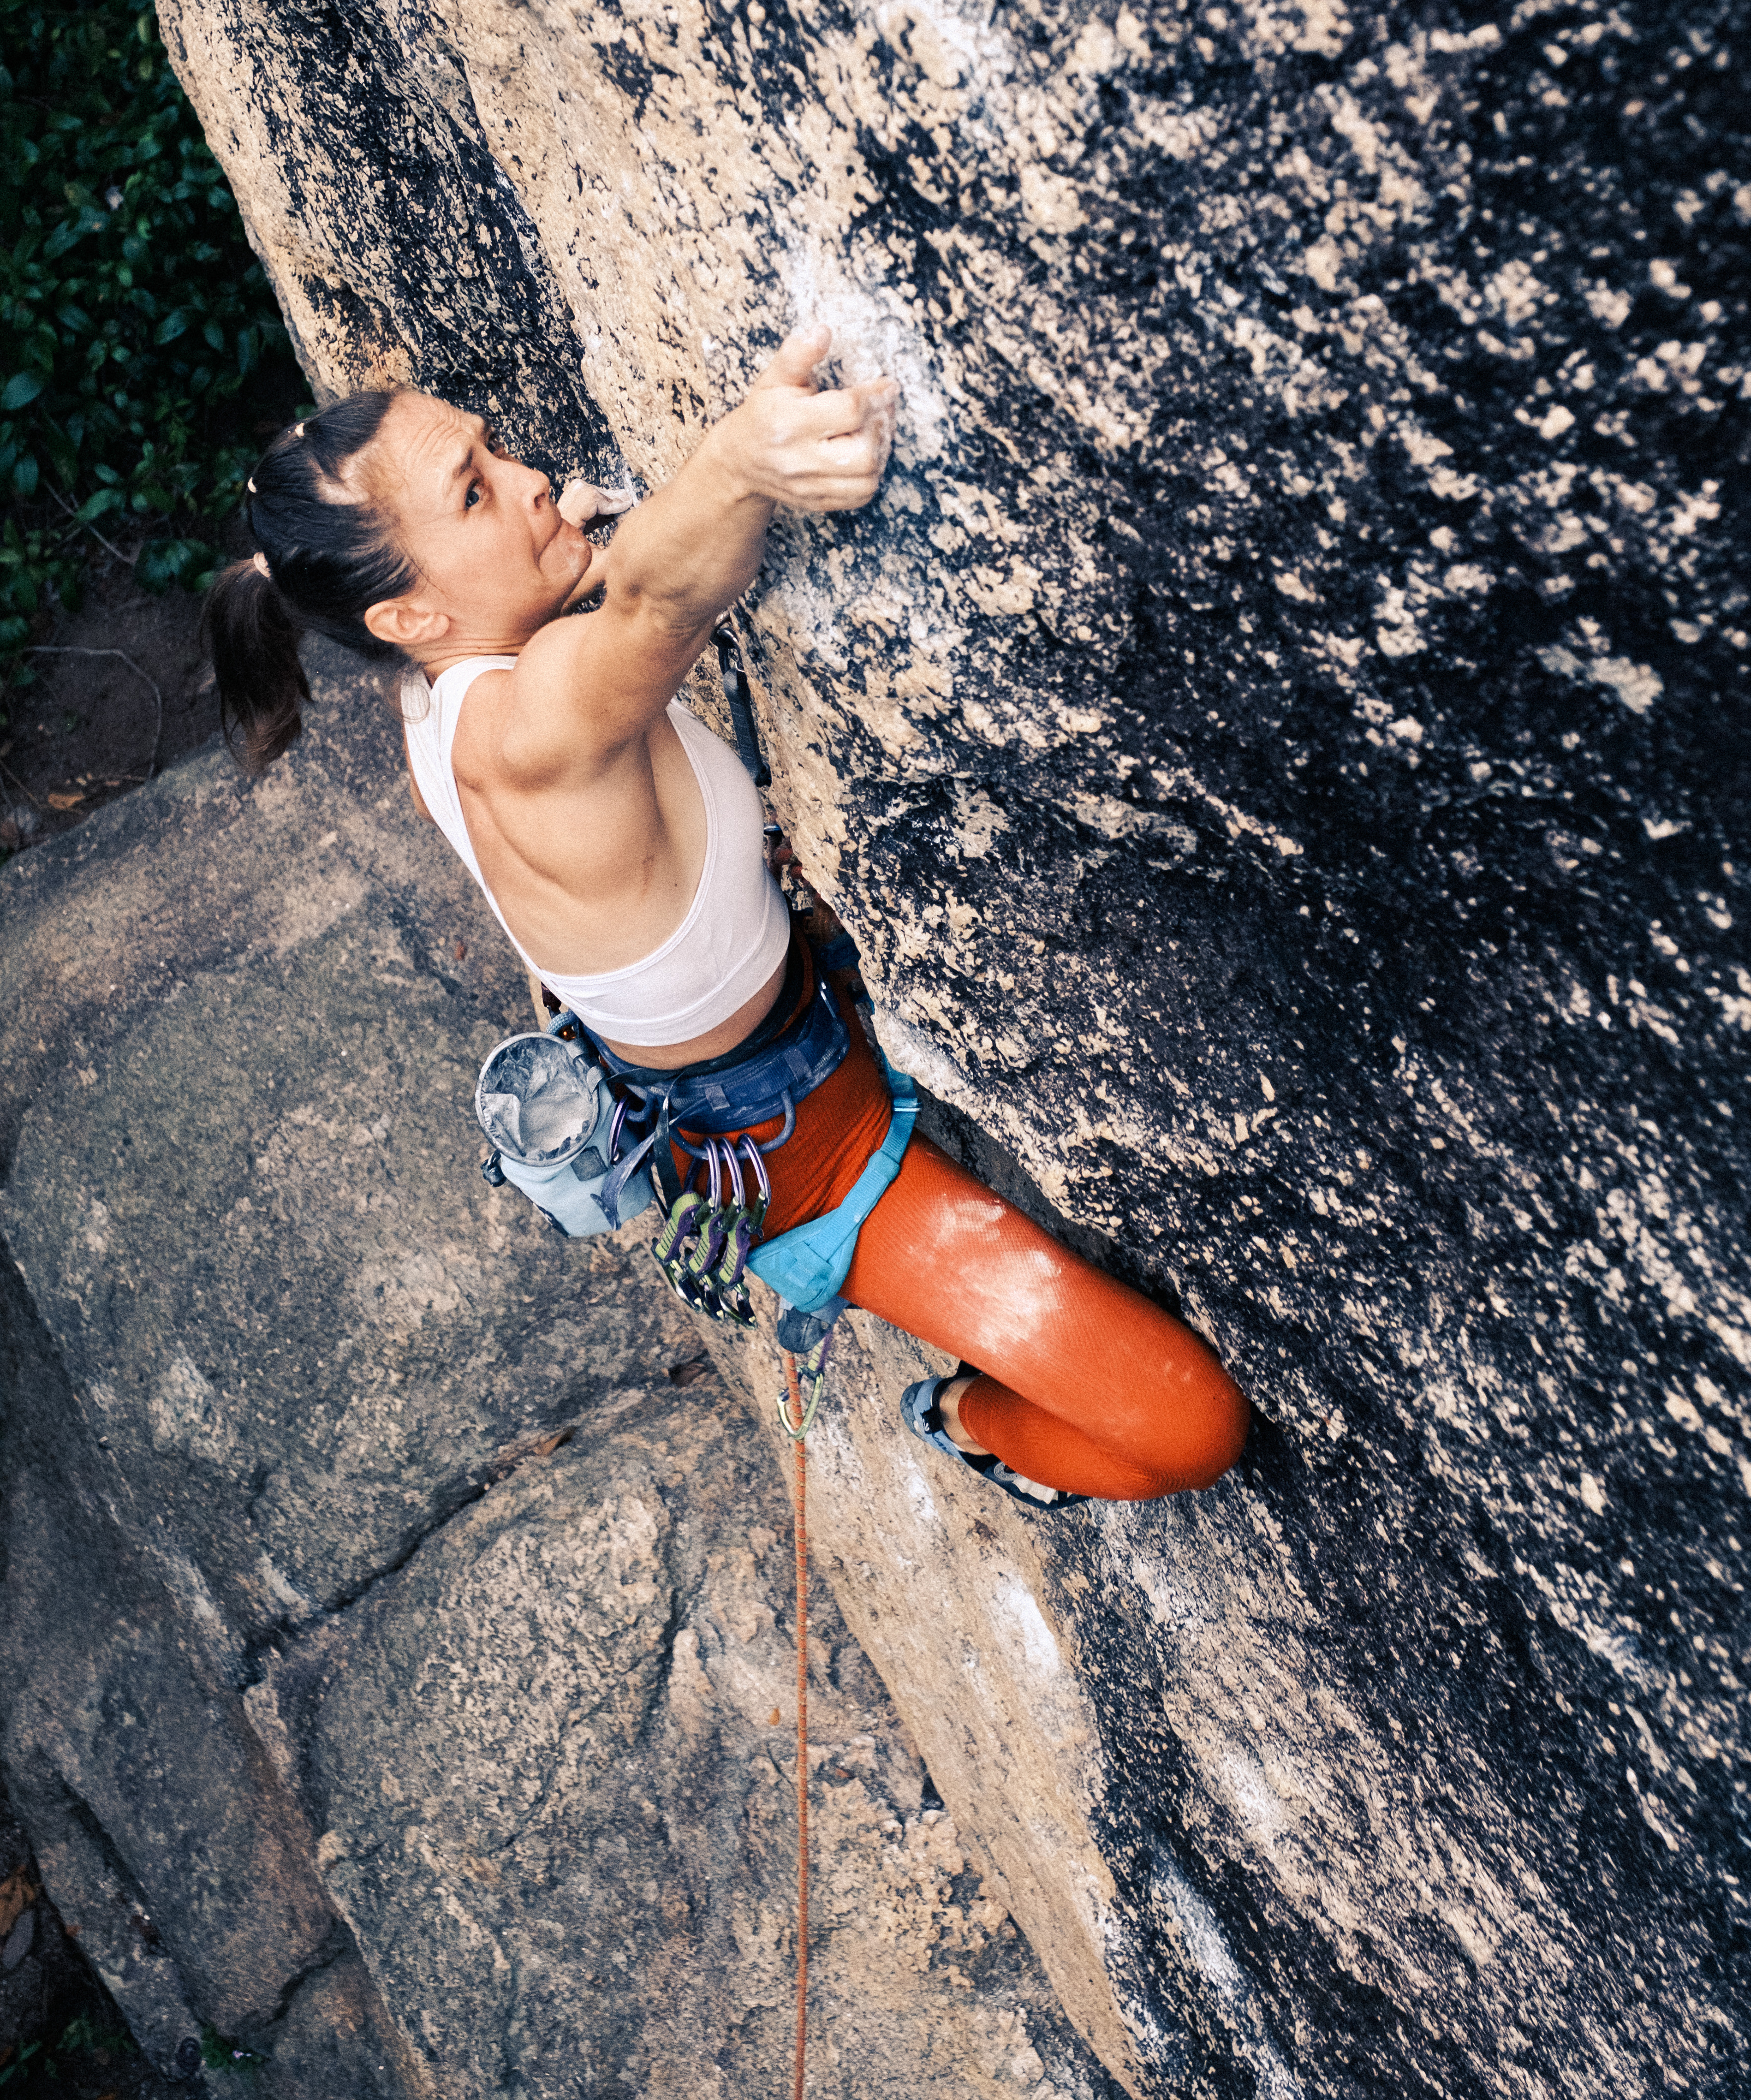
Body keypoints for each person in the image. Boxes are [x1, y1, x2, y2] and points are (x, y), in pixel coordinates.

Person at [204, 326, 1250, 1507]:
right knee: (1186, 1428)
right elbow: (656, 602)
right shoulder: (529, 735)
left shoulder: (429, 696)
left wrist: (564, 552)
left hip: (744, 1067)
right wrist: (742, 462)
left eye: (493, 448)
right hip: (808, 1154)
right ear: (409, 617)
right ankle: (967, 1420)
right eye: (477, 489)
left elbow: (598, 595)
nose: (535, 478)